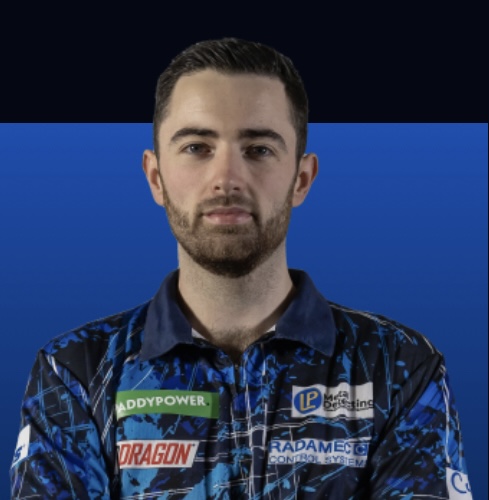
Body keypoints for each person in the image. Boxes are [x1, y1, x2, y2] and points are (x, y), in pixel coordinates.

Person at [10, 38, 472, 499]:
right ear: (156, 177)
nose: (226, 178)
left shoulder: (398, 366)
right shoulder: (76, 371)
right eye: (197, 147)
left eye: (258, 149)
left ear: (302, 179)